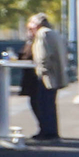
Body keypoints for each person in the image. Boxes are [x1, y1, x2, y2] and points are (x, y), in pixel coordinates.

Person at [25, 12, 65, 141]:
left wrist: (41, 70)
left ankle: (47, 132)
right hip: (54, 73)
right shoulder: (52, 33)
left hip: (47, 75)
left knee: (44, 103)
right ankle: (50, 130)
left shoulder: (43, 34)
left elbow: (43, 55)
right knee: (49, 104)